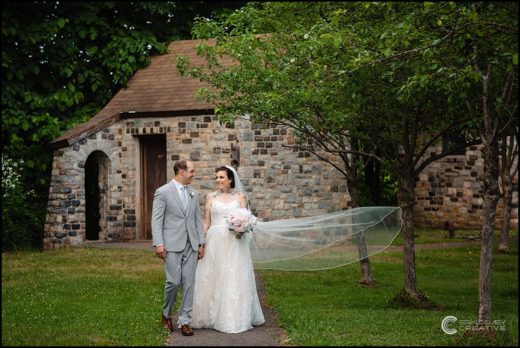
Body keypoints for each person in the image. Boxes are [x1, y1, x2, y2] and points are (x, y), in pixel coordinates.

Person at [191, 165, 265, 333]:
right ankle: (208, 315)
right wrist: (201, 243)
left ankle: (233, 316)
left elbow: (246, 218)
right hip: (215, 241)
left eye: (221, 177)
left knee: (233, 276)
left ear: (230, 179)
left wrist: (242, 225)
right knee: (213, 276)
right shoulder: (210, 197)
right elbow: (206, 222)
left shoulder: (240, 197)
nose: (218, 180)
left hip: (235, 242)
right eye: (216, 177)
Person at [151, 159, 206, 336]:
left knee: (189, 284)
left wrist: (201, 243)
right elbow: (157, 219)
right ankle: (166, 315)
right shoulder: (163, 192)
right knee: (173, 282)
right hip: (171, 244)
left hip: (191, 244)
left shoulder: (193, 193)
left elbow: (197, 219)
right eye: (191, 171)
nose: (193, 174)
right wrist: (159, 243)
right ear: (181, 171)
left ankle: (185, 321)